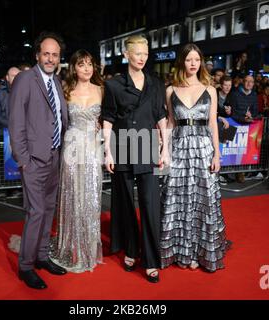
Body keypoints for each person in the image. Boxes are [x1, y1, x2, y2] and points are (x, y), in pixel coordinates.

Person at [102, 35, 169, 283]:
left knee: (150, 204)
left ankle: (151, 260)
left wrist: (166, 149)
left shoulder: (156, 84)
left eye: (145, 53)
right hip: (121, 147)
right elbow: (108, 119)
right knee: (126, 205)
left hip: (148, 146)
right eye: (137, 53)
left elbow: (161, 116)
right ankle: (131, 250)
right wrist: (108, 151)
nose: (142, 57)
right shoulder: (114, 85)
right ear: (126, 54)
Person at [160, 43, 230, 272]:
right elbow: (170, 123)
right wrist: (165, 151)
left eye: (197, 60)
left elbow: (212, 124)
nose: (193, 64)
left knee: (203, 199)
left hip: (202, 149)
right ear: (182, 62)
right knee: (177, 197)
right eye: (189, 60)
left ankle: (200, 251)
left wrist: (217, 154)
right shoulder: (171, 90)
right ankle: (182, 251)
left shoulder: (210, 89)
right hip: (179, 149)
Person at [8, 31, 69, 290]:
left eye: (55, 55)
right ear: (37, 55)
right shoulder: (25, 79)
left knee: (48, 210)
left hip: (53, 156)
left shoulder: (55, 81)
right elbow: (16, 121)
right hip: (33, 160)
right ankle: (26, 266)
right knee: (35, 213)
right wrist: (24, 160)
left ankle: (43, 256)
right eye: (46, 53)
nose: (50, 58)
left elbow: (59, 117)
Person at [50, 49, 104, 273]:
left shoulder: (102, 89)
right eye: (82, 64)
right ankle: (71, 249)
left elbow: (106, 119)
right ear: (74, 67)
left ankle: (89, 249)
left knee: (91, 198)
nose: (87, 68)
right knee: (73, 197)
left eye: (90, 64)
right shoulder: (65, 90)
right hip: (71, 149)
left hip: (92, 150)